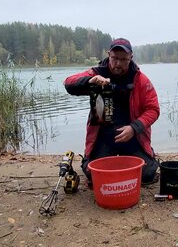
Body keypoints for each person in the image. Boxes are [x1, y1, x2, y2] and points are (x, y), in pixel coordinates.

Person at [64, 38, 160, 184]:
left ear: (131, 58)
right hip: (103, 137)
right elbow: (69, 83)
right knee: (93, 174)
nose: (118, 63)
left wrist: (134, 128)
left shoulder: (140, 79)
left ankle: (148, 154)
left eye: (123, 59)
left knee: (147, 175)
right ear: (109, 54)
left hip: (132, 137)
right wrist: (89, 81)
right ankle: (91, 156)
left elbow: (153, 110)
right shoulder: (97, 73)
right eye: (115, 58)